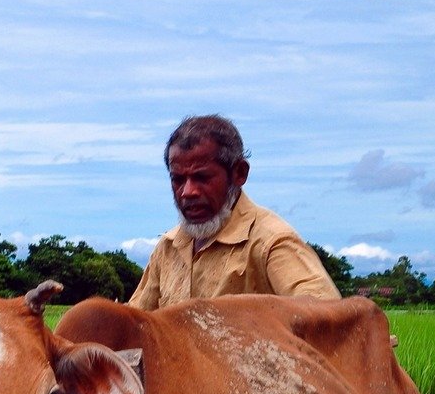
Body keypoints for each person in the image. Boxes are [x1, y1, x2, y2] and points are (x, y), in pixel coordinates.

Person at [129, 115, 340, 310]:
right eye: (178, 179)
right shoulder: (169, 247)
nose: (187, 192)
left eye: (202, 178)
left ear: (239, 174)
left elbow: (327, 314)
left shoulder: (270, 241)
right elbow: (132, 322)